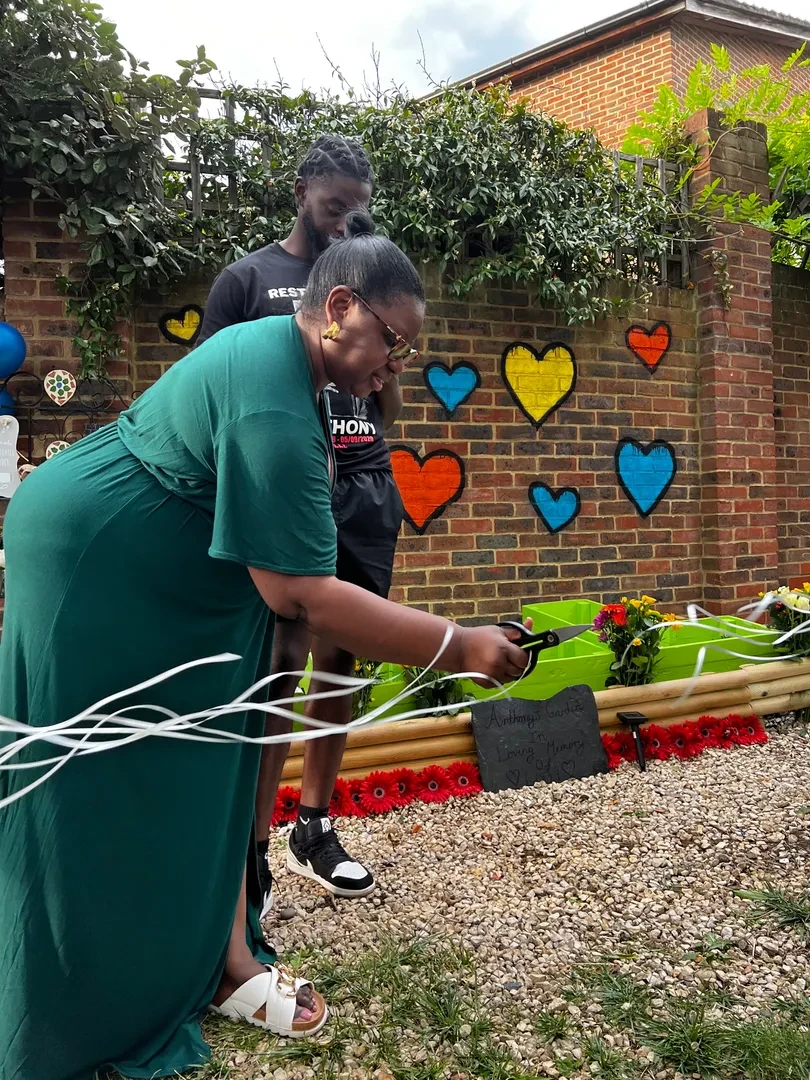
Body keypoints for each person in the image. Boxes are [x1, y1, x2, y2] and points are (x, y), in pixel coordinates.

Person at [0, 210, 528, 1080]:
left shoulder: (283, 363)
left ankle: (222, 957)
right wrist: (459, 645)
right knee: (101, 774)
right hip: (96, 566)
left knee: (203, 759)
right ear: (340, 307)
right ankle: (80, 988)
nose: (397, 367)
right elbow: (304, 597)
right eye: (391, 343)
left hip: (167, 571)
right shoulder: (273, 400)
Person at [199, 134, 401, 903]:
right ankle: (252, 843)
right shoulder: (250, 279)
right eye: (332, 206)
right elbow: (213, 392)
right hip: (285, 492)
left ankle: (313, 826)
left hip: (365, 482)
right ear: (300, 194)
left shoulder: (373, 279)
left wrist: (384, 370)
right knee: (280, 662)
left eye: (358, 208)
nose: (345, 221)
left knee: (343, 655)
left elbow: (389, 400)